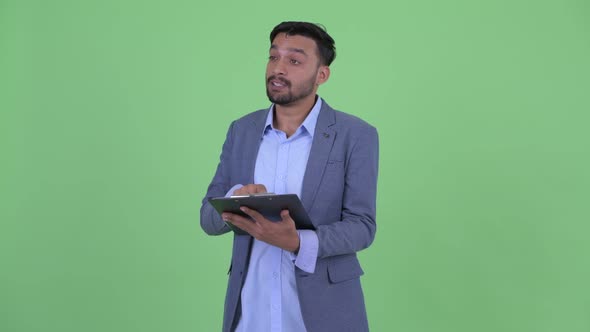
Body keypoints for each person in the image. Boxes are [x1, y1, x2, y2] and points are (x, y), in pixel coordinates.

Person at [200, 21, 379, 332]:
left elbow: (362, 226)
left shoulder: (356, 135)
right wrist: (234, 199)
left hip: (325, 313)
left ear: (321, 74)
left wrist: (299, 242)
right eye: (273, 57)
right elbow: (207, 218)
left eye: (294, 60)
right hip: (251, 312)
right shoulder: (241, 131)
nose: (278, 68)